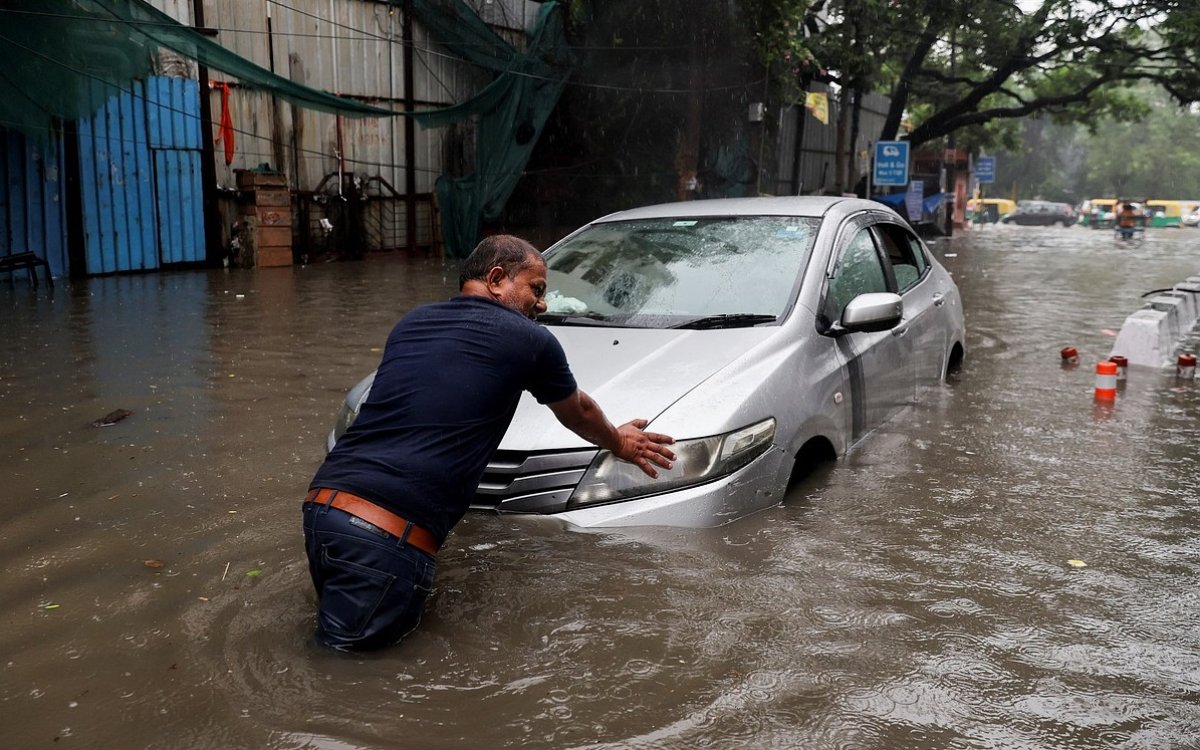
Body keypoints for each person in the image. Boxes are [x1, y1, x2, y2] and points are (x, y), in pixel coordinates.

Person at [302, 235, 676, 651]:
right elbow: (579, 412)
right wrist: (619, 442)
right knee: (350, 677)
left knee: (343, 643)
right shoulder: (529, 340)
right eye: (536, 289)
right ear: (496, 278)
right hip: (383, 537)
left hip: (324, 509)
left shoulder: (412, 322)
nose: (544, 304)